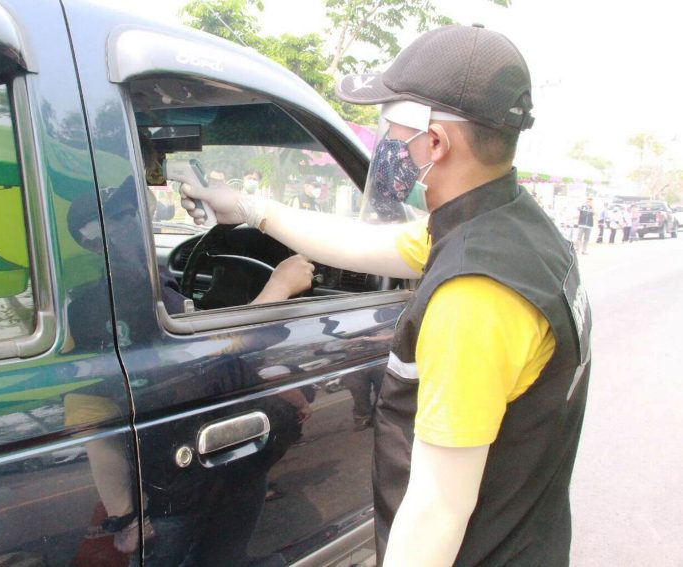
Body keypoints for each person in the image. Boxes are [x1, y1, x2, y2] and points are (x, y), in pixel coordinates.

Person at [179, 24, 591, 567]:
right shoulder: (512, 228)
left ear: (436, 143)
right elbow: (367, 244)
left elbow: (439, 509)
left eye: (391, 129)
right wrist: (251, 209)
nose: (385, 145)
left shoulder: (475, 296)